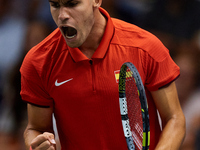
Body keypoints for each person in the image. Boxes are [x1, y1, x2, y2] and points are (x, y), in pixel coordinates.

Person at [20, 0, 185, 150]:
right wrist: (40, 144)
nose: (62, 15)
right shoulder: (39, 62)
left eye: (72, 4)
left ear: (97, 1)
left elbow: (174, 119)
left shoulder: (145, 48)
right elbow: (36, 128)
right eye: (55, 5)